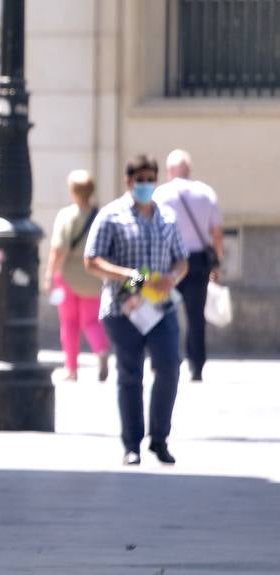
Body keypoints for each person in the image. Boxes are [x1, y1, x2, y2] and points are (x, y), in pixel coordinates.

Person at [84, 153, 189, 467]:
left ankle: (160, 438)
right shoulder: (111, 216)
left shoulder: (167, 218)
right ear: (128, 182)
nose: (145, 185)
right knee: (130, 374)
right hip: (123, 308)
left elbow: (182, 259)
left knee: (169, 367)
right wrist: (126, 275)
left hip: (160, 307)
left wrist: (173, 278)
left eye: (150, 179)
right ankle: (132, 444)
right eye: (139, 179)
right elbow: (92, 260)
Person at [153, 149, 224, 382]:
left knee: (164, 312)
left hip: (168, 261)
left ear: (170, 170)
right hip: (198, 261)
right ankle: (197, 366)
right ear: (189, 169)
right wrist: (217, 264)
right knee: (196, 317)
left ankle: (166, 360)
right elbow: (216, 234)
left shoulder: (161, 194)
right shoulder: (206, 193)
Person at [47, 170, 110, 381]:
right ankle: (101, 350)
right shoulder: (101, 216)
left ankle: (72, 368)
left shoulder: (67, 216)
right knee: (92, 321)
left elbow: (58, 249)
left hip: (68, 276)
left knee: (70, 323)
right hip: (94, 276)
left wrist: (49, 274)